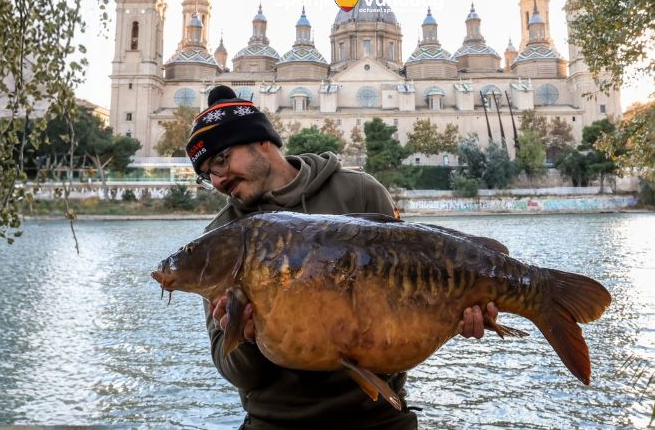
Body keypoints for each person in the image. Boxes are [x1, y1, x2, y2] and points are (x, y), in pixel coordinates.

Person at [186, 85, 499, 430]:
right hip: (274, 423)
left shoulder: (360, 192)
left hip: (379, 419)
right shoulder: (220, 242)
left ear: (261, 142)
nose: (217, 181)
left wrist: (453, 315)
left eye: (220, 160)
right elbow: (237, 374)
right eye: (207, 175)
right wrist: (243, 338)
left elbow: (410, 302)